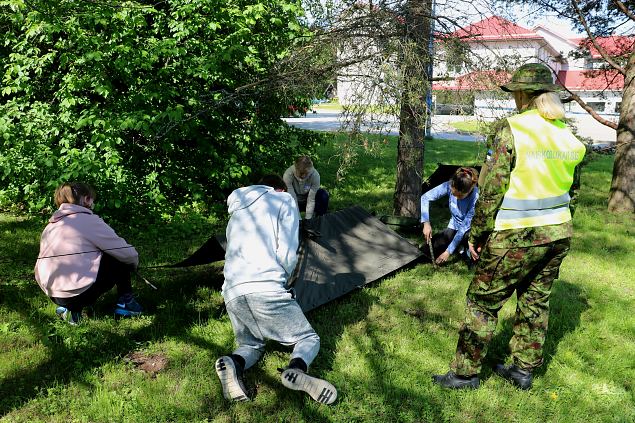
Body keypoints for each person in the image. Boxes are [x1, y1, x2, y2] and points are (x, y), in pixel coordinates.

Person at [432, 63, 586, 390]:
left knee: (482, 302)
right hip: (558, 233)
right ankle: (523, 370)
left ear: (522, 94)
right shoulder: (564, 133)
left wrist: (477, 234)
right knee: (535, 301)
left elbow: (491, 190)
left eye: (515, 92)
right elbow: (570, 187)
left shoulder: (514, 129)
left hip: (517, 234)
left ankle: (464, 374)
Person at [215, 174, 337, 405]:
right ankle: (297, 370)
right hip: (266, 286)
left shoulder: (238, 210)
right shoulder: (283, 200)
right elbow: (288, 250)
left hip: (232, 292)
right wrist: (284, 280)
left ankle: (233, 362)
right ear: (279, 189)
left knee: (251, 344)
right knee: (308, 338)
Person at [35, 182, 142, 324]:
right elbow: (127, 254)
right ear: (86, 199)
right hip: (78, 293)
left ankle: (70, 310)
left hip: (52, 293)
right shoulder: (89, 221)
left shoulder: (51, 225)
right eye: (92, 199)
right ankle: (126, 303)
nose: (93, 203)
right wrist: (133, 265)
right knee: (118, 256)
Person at [420, 167, 479, 266]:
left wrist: (448, 252)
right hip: (454, 226)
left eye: (459, 196)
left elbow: (463, 228)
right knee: (425, 251)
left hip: (469, 230)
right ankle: (460, 247)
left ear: (469, 191)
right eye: (453, 193)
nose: (455, 198)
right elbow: (425, 197)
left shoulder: (475, 198)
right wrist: (426, 222)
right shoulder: (450, 185)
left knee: (472, 257)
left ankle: (465, 248)